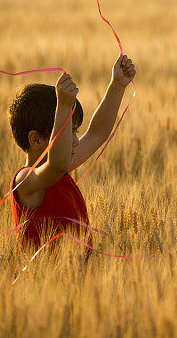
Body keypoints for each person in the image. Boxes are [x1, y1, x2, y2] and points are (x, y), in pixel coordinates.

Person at [8, 55, 135, 250]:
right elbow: (55, 164)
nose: (76, 141)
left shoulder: (62, 168)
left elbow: (96, 133)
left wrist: (117, 86)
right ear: (35, 140)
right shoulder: (26, 181)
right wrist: (64, 106)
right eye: (69, 131)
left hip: (80, 278)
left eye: (75, 131)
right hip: (45, 280)